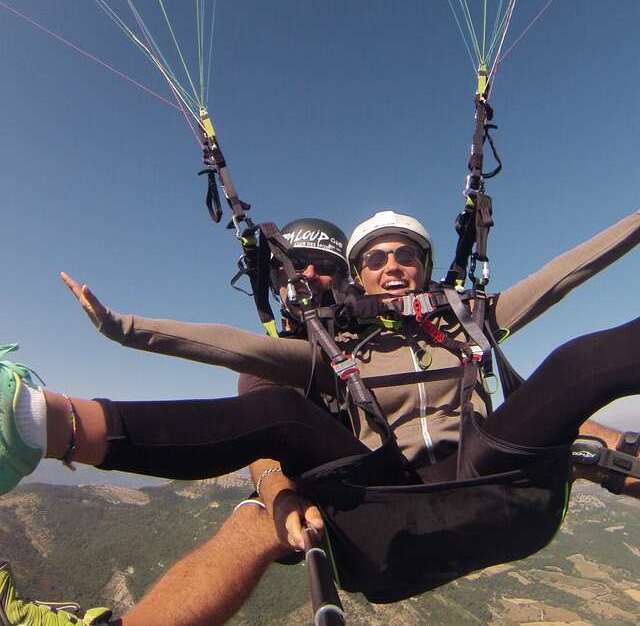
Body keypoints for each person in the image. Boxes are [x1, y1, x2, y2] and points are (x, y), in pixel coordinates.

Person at [2, 209, 640, 623]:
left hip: (494, 477)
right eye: (377, 259)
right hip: (381, 504)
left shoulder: (468, 320)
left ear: (423, 263)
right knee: (281, 413)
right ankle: (40, 422)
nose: (393, 266)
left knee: (577, 362)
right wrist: (128, 330)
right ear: (358, 278)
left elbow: (563, 275)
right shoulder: (330, 350)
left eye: (406, 255)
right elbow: (236, 346)